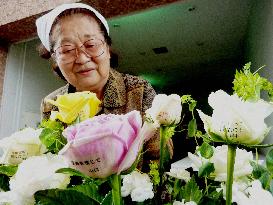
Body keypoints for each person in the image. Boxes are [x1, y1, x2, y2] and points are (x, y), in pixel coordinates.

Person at [36, 2, 172, 170]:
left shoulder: (138, 90)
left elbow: (160, 160)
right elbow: (53, 164)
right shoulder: (52, 104)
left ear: (107, 49)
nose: (82, 58)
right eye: (67, 49)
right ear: (55, 58)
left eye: (91, 45)